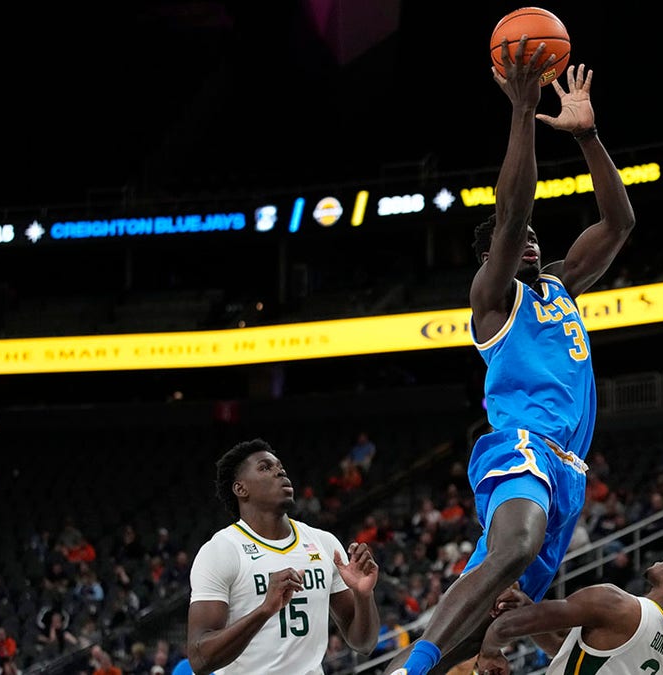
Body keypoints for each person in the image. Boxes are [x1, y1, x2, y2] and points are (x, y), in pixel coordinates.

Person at [390, 39, 636, 675]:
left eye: (534, 238)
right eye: (517, 239)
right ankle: (409, 668)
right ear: (492, 257)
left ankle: (426, 665)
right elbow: (511, 210)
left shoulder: (559, 284)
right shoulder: (493, 299)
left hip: (568, 470)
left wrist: (588, 137)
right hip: (520, 444)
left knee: (494, 618)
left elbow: (618, 223)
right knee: (517, 546)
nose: (529, 239)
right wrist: (523, 111)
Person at [186, 439, 382, 674]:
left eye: (280, 466)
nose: (279, 471)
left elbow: (364, 643)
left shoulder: (324, 543)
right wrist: (265, 610)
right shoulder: (221, 550)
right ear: (240, 489)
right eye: (265, 467)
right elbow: (200, 660)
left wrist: (363, 595)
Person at [473, 552, 663, 675]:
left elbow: (503, 628)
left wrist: (490, 653)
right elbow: (569, 651)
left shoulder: (615, 604)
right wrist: (528, 609)